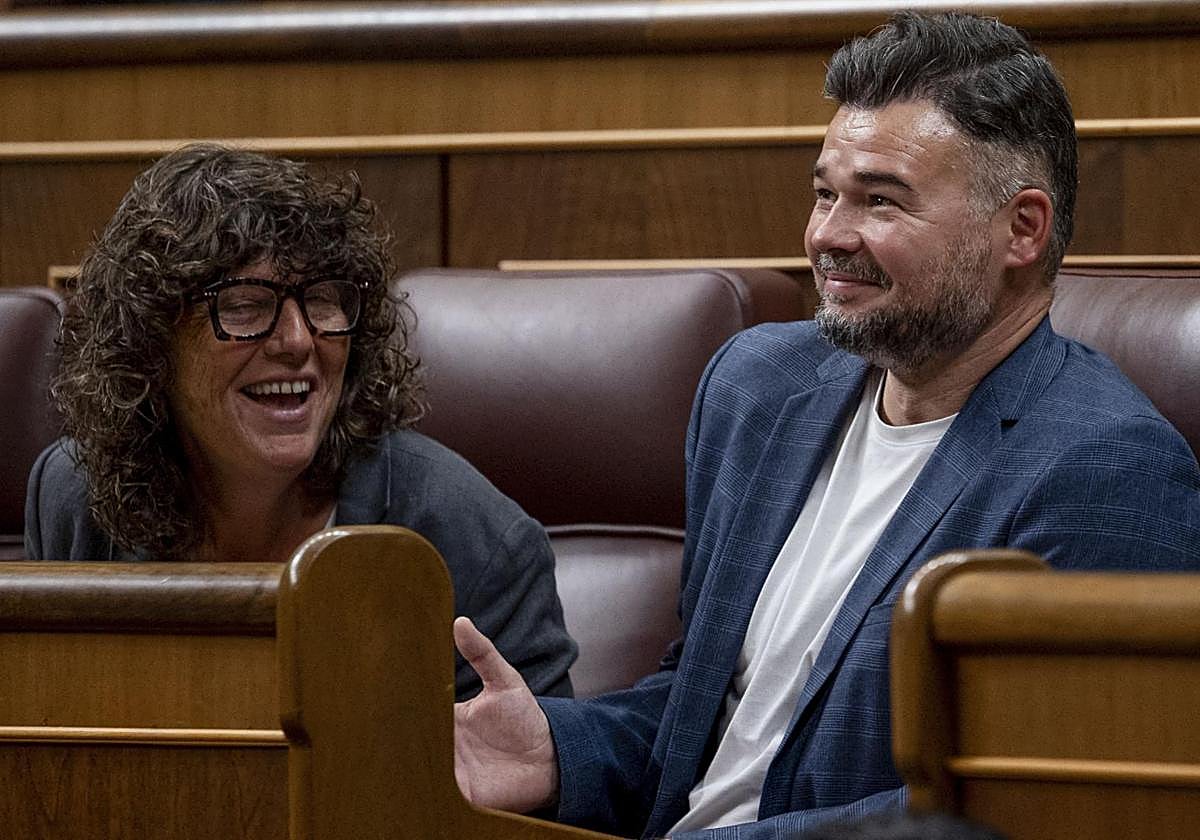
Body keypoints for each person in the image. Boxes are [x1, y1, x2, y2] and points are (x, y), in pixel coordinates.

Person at [451, 10, 1200, 838]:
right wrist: (555, 750)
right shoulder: (758, 389)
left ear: (1021, 228)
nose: (827, 237)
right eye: (824, 193)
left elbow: (1022, 810)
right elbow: (704, 713)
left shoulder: (1101, 471)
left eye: (881, 201)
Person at [24, 143, 576, 700]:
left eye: (322, 298)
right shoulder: (74, 495)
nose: (297, 340)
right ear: (151, 343)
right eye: (243, 304)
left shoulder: (472, 542)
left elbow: (525, 778)